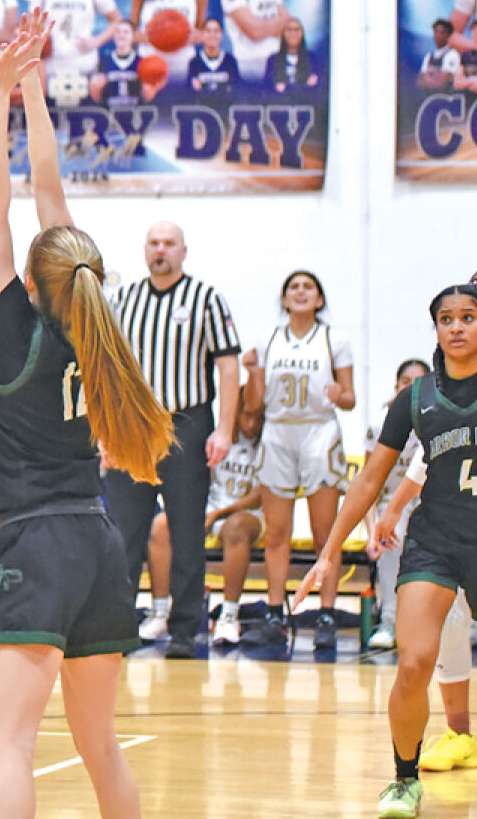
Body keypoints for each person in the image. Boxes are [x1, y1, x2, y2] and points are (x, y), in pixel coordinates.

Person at [0, 10, 171, 819]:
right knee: (99, 742)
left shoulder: (19, 329)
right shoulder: (97, 328)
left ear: (36, 276)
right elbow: (49, 203)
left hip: (38, 544)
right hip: (99, 540)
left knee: (7, 745)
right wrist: (38, 91)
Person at [297, 283, 477, 819]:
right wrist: (329, 551)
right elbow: (370, 477)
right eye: (446, 318)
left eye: (469, 317)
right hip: (435, 541)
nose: (457, 327)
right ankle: (403, 778)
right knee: (414, 662)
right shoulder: (414, 399)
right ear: (436, 329)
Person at [375, 262, 477, 774]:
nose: (459, 322)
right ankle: (455, 735)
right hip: (442, 529)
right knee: (429, 642)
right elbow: (428, 450)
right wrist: (392, 508)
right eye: (448, 317)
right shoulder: (436, 382)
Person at [105, 222, 241, 659]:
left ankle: (185, 629)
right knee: (124, 532)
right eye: (153, 243)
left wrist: (225, 428)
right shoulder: (124, 300)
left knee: (186, 532)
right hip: (132, 428)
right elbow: (106, 368)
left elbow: (228, 367)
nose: (160, 250)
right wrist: (105, 430)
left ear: (184, 251)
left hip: (186, 424)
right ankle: (118, 626)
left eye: (168, 244)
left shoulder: (206, 298)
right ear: (144, 250)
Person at [240, 270, 355, 652]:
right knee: (276, 533)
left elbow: (350, 398)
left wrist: (340, 394)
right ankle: (276, 613)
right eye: (294, 288)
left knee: (327, 535)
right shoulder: (268, 339)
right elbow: (254, 405)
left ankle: (326, 613)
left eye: (309, 287)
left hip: (318, 432)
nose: (301, 292)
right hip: (278, 431)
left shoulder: (333, 339)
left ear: (319, 299)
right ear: (284, 299)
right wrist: (253, 373)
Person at [143, 399, 263, 648]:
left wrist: (219, 514)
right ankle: (160, 610)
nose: (251, 424)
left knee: (235, 528)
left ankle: (229, 615)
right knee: (161, 525)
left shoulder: (267, 444)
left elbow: (259, 495)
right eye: (246, 416)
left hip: (248, 515)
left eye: (257, 418)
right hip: (211, 510)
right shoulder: (215, 440)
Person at [362, 359, 432, 650]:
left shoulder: (436, 419)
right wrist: (369, 533)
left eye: (419, 382)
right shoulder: (380, 423)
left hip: (430, 503)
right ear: (396, 386)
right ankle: (389, 618)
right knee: (390, 532)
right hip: (392, 505)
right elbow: (367, 486)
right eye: (406, 382)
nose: (412, 388)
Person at [32, 0, 120, 106]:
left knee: (83, 119)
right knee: (52, 120)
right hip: (52, 66)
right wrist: (41, 43)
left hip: (84, 64)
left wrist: (96, 41)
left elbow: (116, 21)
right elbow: (30, 23)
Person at [88, 19, 162, 108]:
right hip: (109, 115)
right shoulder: (103, 62)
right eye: (118, 32)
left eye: (126, 32)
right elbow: (96, 98)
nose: (121, 35)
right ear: (113, 36)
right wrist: (95, 88)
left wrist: (149, 89)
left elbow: (149, 97)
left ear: (133, 36)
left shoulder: (143, 63)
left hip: (137, 116)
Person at [187, 18, 241, 96]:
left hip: (225, 107)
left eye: (216, 31)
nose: (212, 35)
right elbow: (191, 94)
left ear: (221, 35)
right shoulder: (194, 63)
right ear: (202, 35)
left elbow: (235, 91)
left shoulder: (230, 61)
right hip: (201, 107)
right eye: (208, 31)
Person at [264, 17, 319, 93]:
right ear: (283, 34)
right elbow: (267, 87)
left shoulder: (312, 59)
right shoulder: (273, 60)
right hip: (280, 103)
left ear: (302, 34)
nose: (293, 33)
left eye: (296, 30)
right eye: (289, 30)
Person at [415, 19, 461, 90]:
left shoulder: (452, 55)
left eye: (442, 32)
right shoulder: (429, 56)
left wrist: (428, 78)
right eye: (436, 32)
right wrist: (434, 78)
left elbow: (441, 83)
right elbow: (419, 81)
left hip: (445, 98)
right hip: (428, 97)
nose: (438, 35)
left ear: (448, 36)